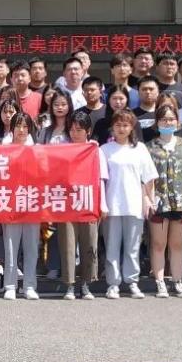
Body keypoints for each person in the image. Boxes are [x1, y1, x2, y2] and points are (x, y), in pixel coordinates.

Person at [98, 109, 158, 300]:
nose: (122, 129)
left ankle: (132, 281)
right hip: (112, 204)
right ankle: (113, 283)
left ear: (132, 127)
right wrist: (102, 204)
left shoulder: (140, 149)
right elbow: (101, 180)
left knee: (133, 247)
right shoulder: (104, 150)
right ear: (112, 127)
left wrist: (149, 200)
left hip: (134, 203)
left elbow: (149, 178)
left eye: (125, 125)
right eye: (118, 125)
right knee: (112, 246)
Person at [147, 105, 182, 299]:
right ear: (157, 122)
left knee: (177, 245)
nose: (167, 123)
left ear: (177, 122)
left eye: (171, 119)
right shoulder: (149, 147)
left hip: (181, 201)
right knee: (158, 244)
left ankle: (177, 281)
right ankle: (160, 282)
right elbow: (147, 178)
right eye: (163, 119)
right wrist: (148, 199)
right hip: (158, 202)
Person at [61, 111, 105, 300]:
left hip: (89, 201)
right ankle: (70, 285)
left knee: (89, 242)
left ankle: (86, 284)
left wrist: (102, 204)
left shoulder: (95, 150)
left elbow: (101, 179)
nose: (74, 133)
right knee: (68, 244)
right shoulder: (63, 149)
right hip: (67, 203)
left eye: (79, 130)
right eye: (71, 129)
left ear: (88, 131)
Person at [2, 112, 41, 300]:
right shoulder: (4, 149)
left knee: (31, 246)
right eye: (18, 126)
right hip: (11, 202)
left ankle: (29, 285)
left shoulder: (37, 150)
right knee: (11, 246)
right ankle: (10, 285)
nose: (22, 130)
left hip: (32, 202)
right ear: (12, 128)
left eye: (25, 126)